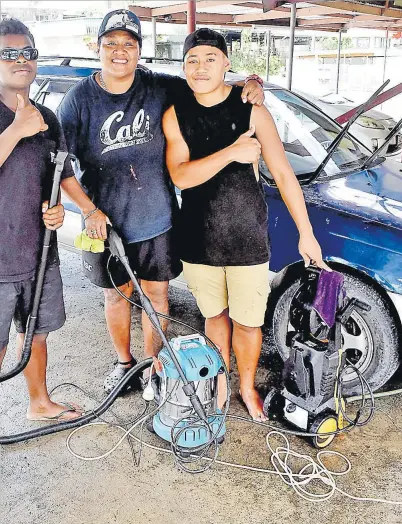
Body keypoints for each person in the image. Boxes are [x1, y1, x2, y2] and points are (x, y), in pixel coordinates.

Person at [57, 9, 265, 394]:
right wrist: (88, 209)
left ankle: (154, 366)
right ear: (97, 48)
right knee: (116, 297)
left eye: (129, 44)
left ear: (139, 51)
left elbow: (205, 80)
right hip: (104, 224)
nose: (120, 52)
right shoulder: (78, 100)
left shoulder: (158, 87)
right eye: (111, 43)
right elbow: (59, 165)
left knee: (157, 295)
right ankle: (124, 364)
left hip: (157, 219)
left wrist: (248, 82)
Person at [163, 28, 331, 421]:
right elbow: (181, 176)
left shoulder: (252, 110)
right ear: (183, 67)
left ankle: (246, 386)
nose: (200, 67)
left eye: (209, 58)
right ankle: (221, 382)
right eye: (192, 60)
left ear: (226, 63)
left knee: (249, 322)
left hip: (247, 238)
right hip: (198, 240)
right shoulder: (176, 114)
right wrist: (233, 151)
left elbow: (285, 175)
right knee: (214, 318)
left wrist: (306, 233)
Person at [0, 19, 80, 421]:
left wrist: (58, 208)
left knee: (35, 332)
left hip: (40, 252)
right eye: (9, 53)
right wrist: (15, 130)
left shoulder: (48, 115)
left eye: (28, 53)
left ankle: (39, 403)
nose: (20, 60)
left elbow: (56, 176)